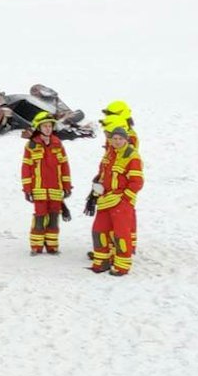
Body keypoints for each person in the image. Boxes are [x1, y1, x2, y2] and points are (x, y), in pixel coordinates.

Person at [85, 123, 144, 276]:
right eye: (114, 138)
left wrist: (125, 199)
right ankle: (102, 262)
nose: (117, 141)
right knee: (99, 231)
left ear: (126, 139)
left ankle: (122, 266)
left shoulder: (132, 156)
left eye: (120, 138)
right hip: (105, 200)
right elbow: (102, 174)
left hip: (121, 202)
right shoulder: (109, 155)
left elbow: (137, 182)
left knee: (120, 234)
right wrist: (96, 188)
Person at [20, 110, 72, 255]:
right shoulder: (31, 145)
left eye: (50, 126)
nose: (48, 129)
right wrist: (27, 188)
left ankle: (52, 245)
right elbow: (26, 168)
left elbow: (64, 166)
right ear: (39, 128)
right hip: (39, 189)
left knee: (54, 216)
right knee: (40, 217)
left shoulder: (58, 144)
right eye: (45, 126)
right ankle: (36, 246)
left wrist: (67, 186)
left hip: (56, 189)